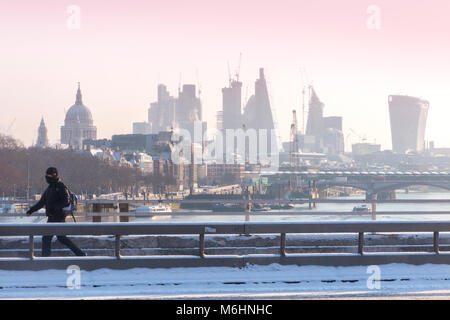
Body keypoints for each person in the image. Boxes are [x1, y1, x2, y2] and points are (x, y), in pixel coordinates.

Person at [26, 167, 86, 257]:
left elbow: (66, 201)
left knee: (47, 238)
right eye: (46, 176)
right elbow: (41, 202)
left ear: (54, 175)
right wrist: (31, 210)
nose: (47, 178)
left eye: (49, 176)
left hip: (58, 217)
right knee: (60, 238)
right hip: (52, 217)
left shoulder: (60, 186)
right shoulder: (49, 188)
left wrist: (54, 208)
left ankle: (45, 259)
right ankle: (80, 254)